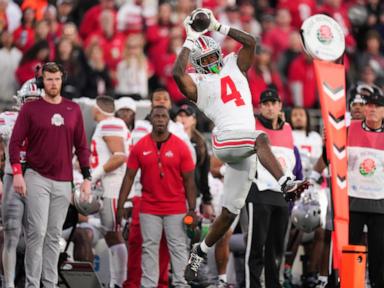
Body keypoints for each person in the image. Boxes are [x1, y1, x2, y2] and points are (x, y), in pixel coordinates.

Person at [173, 8, 308, 281]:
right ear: (198, 64)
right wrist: (189, 39)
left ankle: (199, 251)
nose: (212, 62)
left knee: (229, 212)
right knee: (260, 137)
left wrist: (216, 25)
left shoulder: (234, 63)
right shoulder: (200, 83)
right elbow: (178, 75)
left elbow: (250, 42)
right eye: (206, 60)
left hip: (245, 148)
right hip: (225, 141)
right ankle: (286, 184)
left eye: (214, 56)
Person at [9, 62, 91, 287]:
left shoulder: (73, 109)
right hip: (37, 177)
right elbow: (14, 143)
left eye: (56, 79)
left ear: (62, 80)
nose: (53, 84)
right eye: (48, 79)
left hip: (64, 181)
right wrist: (17, 172)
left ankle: (50, 283)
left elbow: (82, 146)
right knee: (37, 233)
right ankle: (32, 284)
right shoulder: (30, 109)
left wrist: (86, 177)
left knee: (54, 235)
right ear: (41, 81)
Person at [117, 106, 197, 288]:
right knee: (149, 248)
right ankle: (148, 285)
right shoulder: (141, 145)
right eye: (156, 116)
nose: (160, 119)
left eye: (163, 116)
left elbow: (190, 181)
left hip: (176, 207)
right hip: (149, 207)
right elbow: (129, 176)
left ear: (168, 120)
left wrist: (192, 209)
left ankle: (181, 284)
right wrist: (121, 204)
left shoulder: (180, 146)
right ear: (150, 120)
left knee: (178, 248)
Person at [245, 89, 303, 288]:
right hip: (259, 193)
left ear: (280, 106)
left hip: (281, 196)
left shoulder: (288, 129)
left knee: (276, 250)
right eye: (266, 104)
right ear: (260, 107)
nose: (269, 108)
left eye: (273, 103)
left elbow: (291, 163)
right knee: (255, 248)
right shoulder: (253, 126)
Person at [0, 79, 42, 288]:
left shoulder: (49, 122)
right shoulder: (8, 119)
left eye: (36, 100)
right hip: (11, 178)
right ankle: (8, 284)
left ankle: (32, 283)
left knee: (36, 237)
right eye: (29, 100)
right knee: (11, 233)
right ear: (21, 101)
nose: (32, 105)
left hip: (38, 181)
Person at [90, 95, 129, 287]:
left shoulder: (109, 124)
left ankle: (118, 282)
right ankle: (117, 281)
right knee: (111, 234)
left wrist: (93, 177)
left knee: (114, 234)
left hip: (113, 187)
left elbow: (119, 157)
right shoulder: (111, 124)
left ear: (97, 109)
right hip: (110, 187)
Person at [347, 87, 384, 287]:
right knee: (349, 251)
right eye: (369, 105)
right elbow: (332, 159)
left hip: (380, 205)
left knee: (379, 255)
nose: (372, 109)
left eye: (377, 106)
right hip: (353, 202)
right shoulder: (349, 128)